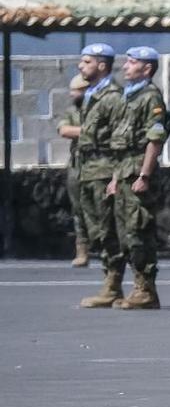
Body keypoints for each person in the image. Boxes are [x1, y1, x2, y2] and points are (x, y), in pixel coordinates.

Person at [106, 46, 170, 310]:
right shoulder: (129, 97)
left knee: (138, 230)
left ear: (147, 68)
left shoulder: (150, 98)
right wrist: (114, 177)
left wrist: (144, 174)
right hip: (124, 170)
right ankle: (138, 284)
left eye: (132, 63)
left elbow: (154, 140)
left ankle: (146, 288)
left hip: (136, 172)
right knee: (125, 232)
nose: (125, 67)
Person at [72, 43, 127, 307]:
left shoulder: (113, 96)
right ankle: (109, 280)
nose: (80, 67)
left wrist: (116, 176)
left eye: (86, 62)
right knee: (96, 230)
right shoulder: (93, 95)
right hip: (89, 170)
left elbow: (120, 140)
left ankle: (114, 283)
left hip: (104, 170)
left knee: (108, 230)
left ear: (102, 65)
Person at [61, 72, 90, 268]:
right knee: (78, 209)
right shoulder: (72, 112)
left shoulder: (102, 107)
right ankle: (82, 250)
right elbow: (64, 130)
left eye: (77, 90)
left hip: (101, 164)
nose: (73, 94)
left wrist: (82, 131)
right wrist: (91, 131)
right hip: (77, 164)